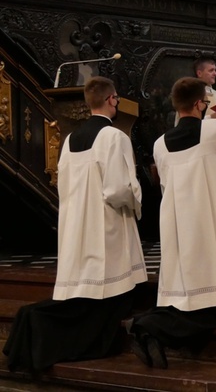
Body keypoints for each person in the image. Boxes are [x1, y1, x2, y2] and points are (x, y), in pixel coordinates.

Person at [3, 76, 147, 373]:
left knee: (85, 288)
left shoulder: (70, 140)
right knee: (108, 289)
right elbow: (118, 189)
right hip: (106, 223)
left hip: (78, 222)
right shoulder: (115, 137)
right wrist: (137, 199)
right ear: (112, 99)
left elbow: (63, 186)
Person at [130, 77, 216, 369]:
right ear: (199, 104)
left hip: (182, 230)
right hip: (215, 224)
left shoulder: (160, 145)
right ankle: (151, 327)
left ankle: (151, 324)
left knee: (195, 299)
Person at [174, 57, 216, 124]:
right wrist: (211, 117)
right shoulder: (188, 92)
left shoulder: (215, 94)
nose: (215, 74)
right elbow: (184, 122)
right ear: (199, 73)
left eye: (215, 70)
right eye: (211, 70)